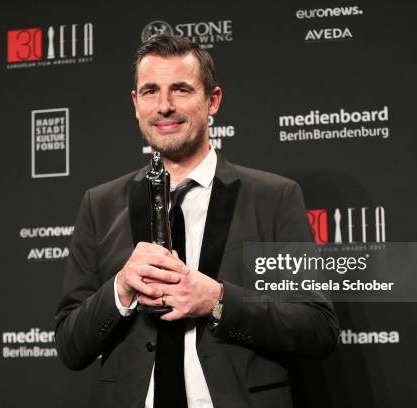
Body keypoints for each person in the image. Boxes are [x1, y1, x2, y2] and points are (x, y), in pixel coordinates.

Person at [55, 35, 338, 408]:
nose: (165, 106)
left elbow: (317, 329)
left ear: (213, 101)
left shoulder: (273, 198)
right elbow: (70, 346)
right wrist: (121, 289)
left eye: (182, 89)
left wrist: (218, 301)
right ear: (136, 103)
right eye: (151, 91)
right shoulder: (100, 205)